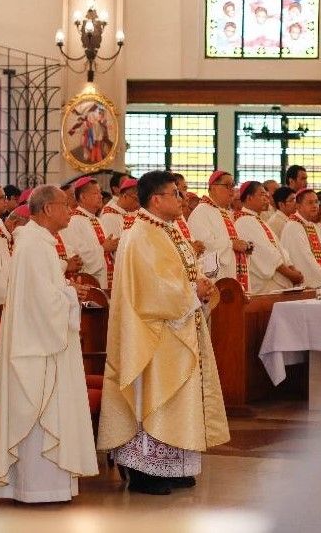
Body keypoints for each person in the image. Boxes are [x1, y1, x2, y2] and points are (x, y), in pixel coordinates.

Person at [98, 170, 229, 495]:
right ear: (157, 199)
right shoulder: (140, 234)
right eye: (176, 193)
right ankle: (144, 471)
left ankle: (172, 465)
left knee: (176, 399)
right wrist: (190, 290)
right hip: (151, 334)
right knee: (153, 397)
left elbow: (183, 272)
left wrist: (201, 283)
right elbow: (151, 289)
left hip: (178, 328)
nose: (183, 199)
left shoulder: (168, 230)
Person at [0, 185, 98, 503]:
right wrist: (71, 295)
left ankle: (46, 487)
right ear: (47, 209)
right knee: (38, 413)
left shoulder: (39, 242)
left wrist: (68, 289)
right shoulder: (34, 244)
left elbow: (45, 291)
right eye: (65, 205)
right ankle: (36, 488)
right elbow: (43, 302)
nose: (70, 210)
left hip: (42, 343)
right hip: (37, 348)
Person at [234, 181, 304, 293]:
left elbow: (279, 248)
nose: (266, 198)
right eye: (262, 195)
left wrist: (292, 267)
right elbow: (266, 254)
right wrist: (291, 274)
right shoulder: (244, 221)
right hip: (264, 286)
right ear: (249, 198)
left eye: (267, 195)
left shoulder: (257, 219)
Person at [188, 170, 251, 288]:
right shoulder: (201, 211)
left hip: (231, 271)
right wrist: (231, 245)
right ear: (213, 188)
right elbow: (202, 245)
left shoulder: (224, 212)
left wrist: (241, 246)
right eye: (227, 185)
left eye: (233, 185)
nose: (232, 189)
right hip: (215, 278)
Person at [280, 188, 321, 288]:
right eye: (310, 203)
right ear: (298, 206)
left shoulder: (312, 226)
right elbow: (305, 261)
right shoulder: (293, 227)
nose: (315, 206)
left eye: (316, 202)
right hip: (305, 289)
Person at [61, 177, 118, 289]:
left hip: (105, 280)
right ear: (83, 197)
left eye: (100, 192)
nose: (101, 196)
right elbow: (79, 257)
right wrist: (104, 248)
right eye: (96, 193)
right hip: (88, 284)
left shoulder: (97, 220)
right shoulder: (73, 221)